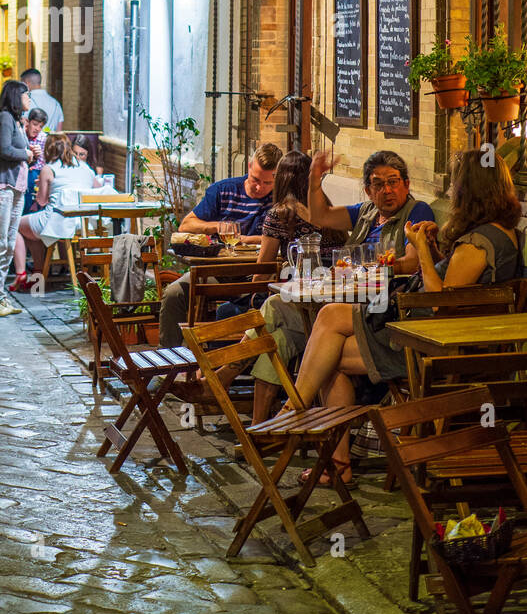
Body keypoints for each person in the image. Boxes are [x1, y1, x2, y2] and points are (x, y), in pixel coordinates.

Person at [287, 150, 524, 488]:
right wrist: (437, 251)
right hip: (435, 338)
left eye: (457, 183)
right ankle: (309, 430)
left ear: (469, 190)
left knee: (330, 350)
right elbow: (458, 290)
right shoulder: (501, 234)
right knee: (328, 325)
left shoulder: (477, 243)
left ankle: (301, 422)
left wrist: (424, 252)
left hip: (426, 346)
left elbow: (441, 304)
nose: (453, 189)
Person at [201, 151, 348, 419]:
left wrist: (248, 296)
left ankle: (227, 372)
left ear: (280, 180)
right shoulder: (329, 212)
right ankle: (260, 428)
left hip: (313, 310)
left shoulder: (281, 213)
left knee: (255, 307)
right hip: (329, 304)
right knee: (275, 342)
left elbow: (262, 271)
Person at [158, 143, 284, 348]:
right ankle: (169, 364)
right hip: (217, 271)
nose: (259, 187)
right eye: (255, 179)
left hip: (257, 276)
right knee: (174, 294)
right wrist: (216, 226)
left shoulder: (280, 199)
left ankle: (232, 358)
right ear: (249, 166)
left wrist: (246, 239)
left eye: (267, 182)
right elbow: (186, 225)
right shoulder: (224, 190)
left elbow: (285, 237)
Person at [306, 148, 434, 272]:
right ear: (368, 192)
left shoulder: (417, 211)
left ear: (406, 185)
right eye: (378, 184)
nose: (387, 190)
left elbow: (413, 263)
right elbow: (320, 216)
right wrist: (314, 180)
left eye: (393, 182)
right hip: (352, 284)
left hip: (386, 289)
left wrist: (369, 269)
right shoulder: (366, 211)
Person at [12, 132, 103, 288]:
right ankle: (38, 275)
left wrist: (41, 185)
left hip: (57, 222)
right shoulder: (85, 167)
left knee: (15, 225)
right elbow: (97, 189)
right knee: (31, 232)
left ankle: (22, 273)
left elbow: (41, 200)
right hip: (82, 224)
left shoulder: (49, 169)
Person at [0, 80, 34, 317]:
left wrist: (29, 153)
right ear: (15, 96)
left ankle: (0, 295)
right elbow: (3, 150)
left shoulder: (17, 121)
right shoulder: (3, 118)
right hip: (0, 186)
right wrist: (27, 153)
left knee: (9, 243)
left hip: (15, 187)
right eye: (26, 95)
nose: (29, 99)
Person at [20, 68, 64, 132]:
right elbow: (59, 131)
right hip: (50, 141)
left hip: (28, 141)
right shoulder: (56, 104)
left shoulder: (25, 101)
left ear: (27, 83)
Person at [23, 108, 48, 211]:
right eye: (35, 124)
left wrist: (39, 154)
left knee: (30, 178)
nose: (37, 129)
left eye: (40, 126)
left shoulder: (43, 138)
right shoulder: (21, 135)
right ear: (28, 122)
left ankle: (26, 212)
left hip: (37, 172)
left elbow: (45, 162)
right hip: (21, 169)